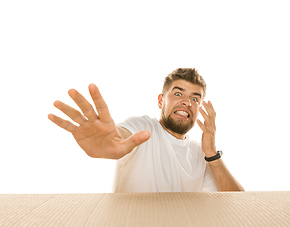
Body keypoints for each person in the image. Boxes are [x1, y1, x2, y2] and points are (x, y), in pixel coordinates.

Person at [48, 68, 244, 192]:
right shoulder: (144, 128)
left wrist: (211, 154)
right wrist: (111, 140)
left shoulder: (201, 154)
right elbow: (121, 135)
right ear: (161, 101)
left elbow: (238, 204)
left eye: (195, 98)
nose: (186, 101)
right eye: (178, 93)